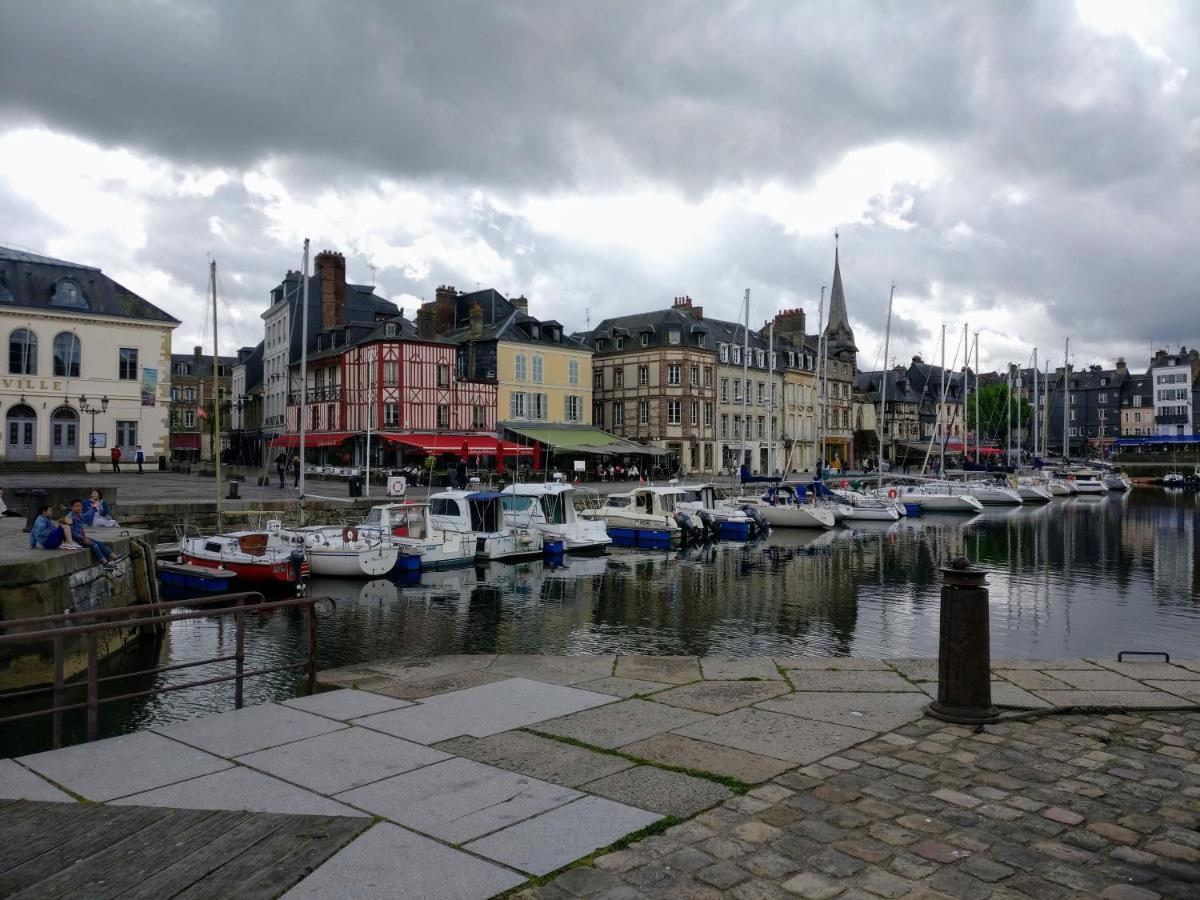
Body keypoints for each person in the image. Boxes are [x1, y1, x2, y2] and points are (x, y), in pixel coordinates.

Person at [63, 499, 123, 565]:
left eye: (80, 506)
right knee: (94, 545)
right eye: (76, 506)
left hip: (81, 537)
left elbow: (87, 516)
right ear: (72, 507)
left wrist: (93, 508)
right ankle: (104, 562)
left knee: (100, 543)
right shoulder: (69, 517)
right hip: (75, 540)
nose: (79, 508)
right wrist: (83, 538)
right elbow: (73, 532)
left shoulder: (78, 515)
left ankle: (114, 556)